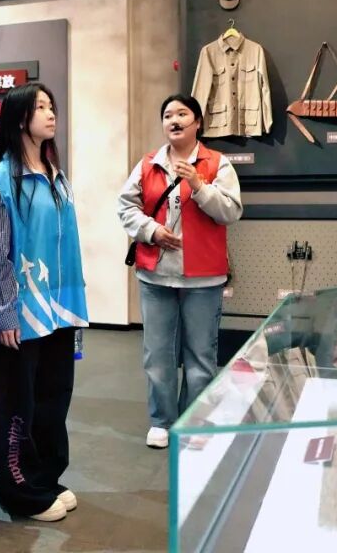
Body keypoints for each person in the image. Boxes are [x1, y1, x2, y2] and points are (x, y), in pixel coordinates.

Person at [0, 83, 89, 522]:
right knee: (16, 407)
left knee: (52, 400)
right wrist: (3, 311)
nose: (50, 113)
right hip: (19, 315)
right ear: (20, 118)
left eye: (51, 106)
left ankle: (45, 478)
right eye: (40, 107)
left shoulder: (57, 177)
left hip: (60, 312)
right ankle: (20, 492)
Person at [117, 94, 242, 450]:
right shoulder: (148, 164)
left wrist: (200, 186)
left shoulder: (218, 164)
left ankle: (195, 420)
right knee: (157, 353)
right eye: (168, 114)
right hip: (155, 276)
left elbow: (231, 211)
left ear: (197, 122)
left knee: (201, 353)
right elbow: (125, 207)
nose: (174, 120)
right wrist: (151, 231)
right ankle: (162, 421)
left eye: (182, 114)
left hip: (204, 278)